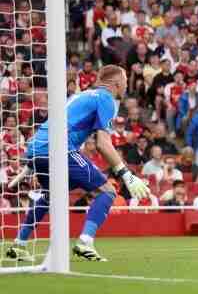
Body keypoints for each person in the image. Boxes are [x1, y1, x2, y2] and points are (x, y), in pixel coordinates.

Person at [7, 65, 151, 262]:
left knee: (50, 196)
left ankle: (19, 244)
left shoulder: (82, 95)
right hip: (59, 149)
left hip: (36, 148)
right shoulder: (106, 99)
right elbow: (102, 143)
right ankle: (85, 242)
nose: (127, 85)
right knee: (107, 191)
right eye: (125, 80)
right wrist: (127, 174)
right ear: (117, 83)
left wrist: (32, 160)